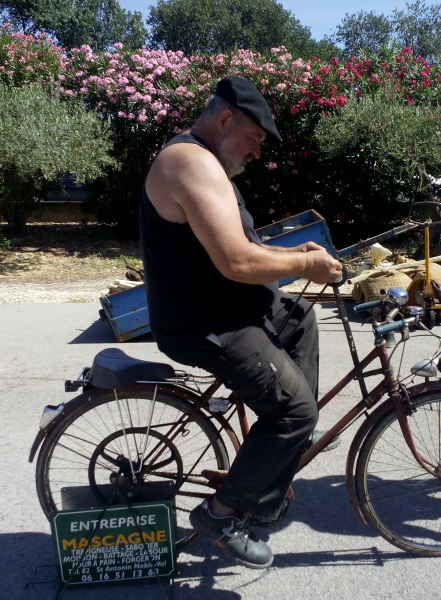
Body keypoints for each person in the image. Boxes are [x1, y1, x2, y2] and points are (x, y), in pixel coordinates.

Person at [140, 76, 343, 568]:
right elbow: (236, 263)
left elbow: (246, 247)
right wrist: (303, 265)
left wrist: (293, 251)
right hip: (206, 322)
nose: (256, 153)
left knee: (300, 317)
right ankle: (220, 514)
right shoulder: (189, 163)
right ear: (226, 119)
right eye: (253, 139)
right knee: (296, 412)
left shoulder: (208, 165)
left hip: (232, 307)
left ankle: (276, 460)